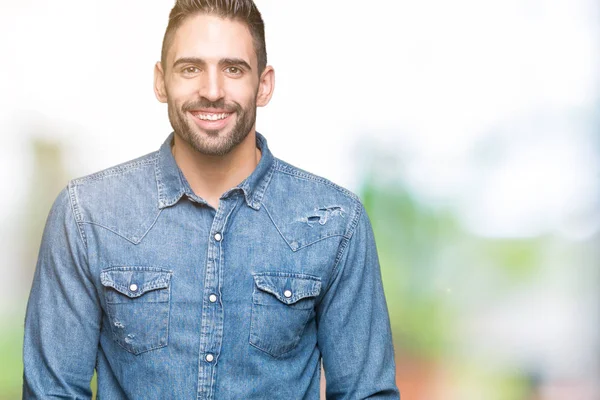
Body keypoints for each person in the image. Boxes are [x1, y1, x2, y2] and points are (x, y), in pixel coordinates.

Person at [22, 1, 400, 398]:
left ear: (264, 84)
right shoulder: (87, 214)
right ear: (160, 81)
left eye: (233, 69)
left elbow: (365, 392)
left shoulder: (336, 222)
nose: (212, 91)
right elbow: (52, 392)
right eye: (190, 68)